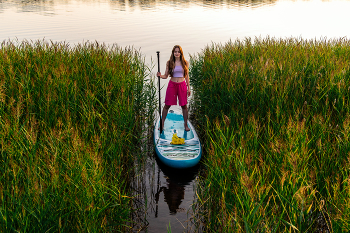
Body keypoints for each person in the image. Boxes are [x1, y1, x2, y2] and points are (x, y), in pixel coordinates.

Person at [157, 45, 191, 131]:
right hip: (172, 85)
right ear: (173, 53)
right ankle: (162, 124)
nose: (177, 53)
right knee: (167, 105)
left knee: (184, 106)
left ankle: (185, 125)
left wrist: (189, 88)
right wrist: (160, 76)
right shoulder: (169, 63)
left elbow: (187, 76)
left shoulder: (185, 62)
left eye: (178, 52)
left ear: (181, 53)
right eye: (175, 52)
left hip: (182, 85)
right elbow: (166, 76)